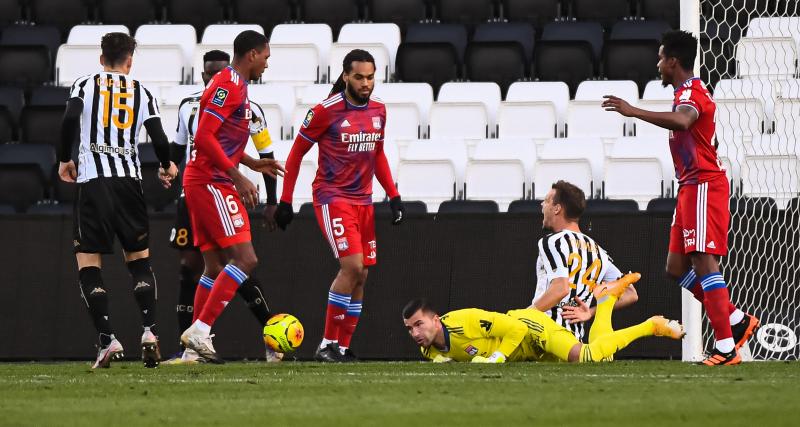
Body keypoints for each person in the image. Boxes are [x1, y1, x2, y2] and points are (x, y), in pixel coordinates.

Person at [602, 30, 759, 365]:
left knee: (703, 260)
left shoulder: (692, 91)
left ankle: (726, 347)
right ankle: (734, 319)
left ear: (673, 61)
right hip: (689, 186)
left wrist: (634, 111)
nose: (658, 64)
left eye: (661, 58)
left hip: (705, 184)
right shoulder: (682, 93)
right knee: (675, 268)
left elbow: (685, 121)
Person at [274, 49, 405, 362]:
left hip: (364, 200)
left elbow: (378, 155)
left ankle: (342, 347)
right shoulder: (325, 111)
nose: (366, 83)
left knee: (363, 275)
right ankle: (325, 344)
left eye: (371, 77)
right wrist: (286, 200)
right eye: (359, 77)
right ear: (346, 76)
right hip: (332, 198)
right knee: (352, 267)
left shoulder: (379, 111)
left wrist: (394, 195)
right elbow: (295, 155)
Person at [58, 32, 179, 369]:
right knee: (139, 261)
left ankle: (107, 339)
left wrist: (63, 158)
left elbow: (70, 118)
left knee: (89, 264)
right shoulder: (142, 91)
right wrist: (167, 165)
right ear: (130, 60)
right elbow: (158, 136)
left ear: (101, 58)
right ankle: (150, 332)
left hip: (93, 183)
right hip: (129, 183)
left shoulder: (85, 84)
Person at [167, 49, 282, 364]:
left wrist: (253, 163)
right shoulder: (228, 84)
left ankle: (193, 349)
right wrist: (238, 177)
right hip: (212, 182)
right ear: (252, 54)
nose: (267, 63)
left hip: (205, 180)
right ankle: (200, 330)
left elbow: (221, 140)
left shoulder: (239, 87)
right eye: (266, 57)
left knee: (214, 266)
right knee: (246, 259)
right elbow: (203, 137)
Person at [403, 273, 685, 363]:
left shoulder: (465, 320)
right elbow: (446, 358)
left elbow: (513, 326)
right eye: (410, 328)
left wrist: (496, 358)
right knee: (601, 359)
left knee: (584, 357)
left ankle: (651, 326)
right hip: (529, 354)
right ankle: (606, 299)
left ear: (436, 320)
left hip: (530, 326)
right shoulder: (428, 349)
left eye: (419, 324)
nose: (415, 332)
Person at [530, 180, 638, 346]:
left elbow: (560, 289)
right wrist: (592, 312)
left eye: (546, 201)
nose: (542, 205)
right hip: (573, 341)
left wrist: (524, 317)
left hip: (542, 336)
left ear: (557, 208)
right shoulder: (599, 252)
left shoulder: (552, 241)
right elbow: (631, 294)